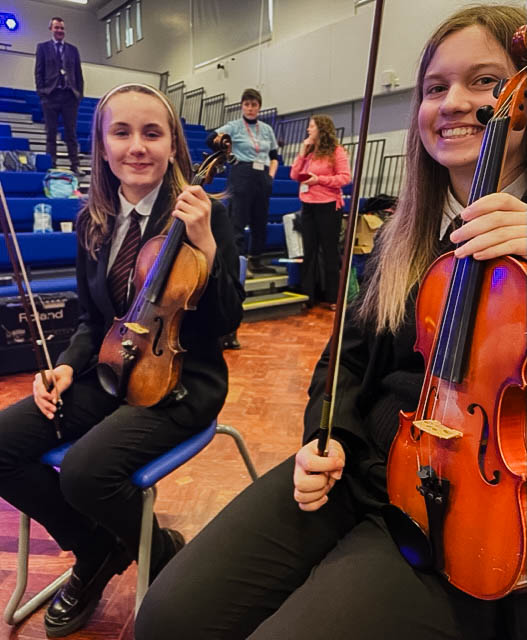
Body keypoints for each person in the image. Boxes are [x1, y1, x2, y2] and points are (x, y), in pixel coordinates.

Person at [135, 6, 527, 640]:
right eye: (434, 87)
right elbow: (342, 357)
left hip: (473, 511)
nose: (455, 102)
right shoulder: (404, 231)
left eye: (485, 82)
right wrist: (329, 432)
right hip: (364, 463)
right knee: (170, 615)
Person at [0, 83, 244, 638]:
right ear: (103, 147)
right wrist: (65, 366)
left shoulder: (204, 216)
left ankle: (156, 550)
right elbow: (92, 320)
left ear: (173, 146)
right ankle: (97, 550)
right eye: (122, 132)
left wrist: (205, 247)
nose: (138, 146)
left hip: (183, 378)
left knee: (85, 472)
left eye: (152, 133)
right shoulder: (93, 221)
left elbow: (225, 325)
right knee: (2, 446)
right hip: (109, 370)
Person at [207, 88, 279, 276]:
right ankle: (238, 261)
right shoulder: (234, 126)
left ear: (259, 107)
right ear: (242, 106)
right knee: (238, 219)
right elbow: (211, 139)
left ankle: (256, 260)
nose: (250, 108)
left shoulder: (267, 129)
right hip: (242, 172)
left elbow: (274, 156)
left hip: (262, 175)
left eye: (254, 105)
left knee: (260, 219)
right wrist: (227, 151)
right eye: (246, 104)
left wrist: (271, 176)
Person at [290, 115, 351, 309]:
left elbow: (345, 178)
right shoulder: (308, 152)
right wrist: (301, 151)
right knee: (309, 251)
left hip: (328, 206)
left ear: (321, 129)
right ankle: (308, 295)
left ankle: (332, 297)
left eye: (312, 127)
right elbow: (294, 175)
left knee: (329, 252)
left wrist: (319, 180)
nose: (308, 130)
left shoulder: (336, 151)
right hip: (308, 205)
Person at [35, 17, 85, 176]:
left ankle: (75, 165)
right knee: (51, 133)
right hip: (50, 96)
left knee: (71, 133)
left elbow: (78, 73)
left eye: (62, 28)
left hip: (69, 96)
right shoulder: (42, 48)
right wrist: (42, 92)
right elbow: (38, 71)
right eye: (57, 28)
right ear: (51, 29)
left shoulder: (73, 50)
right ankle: (52, 164)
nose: (60, 31)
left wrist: (79, 94)